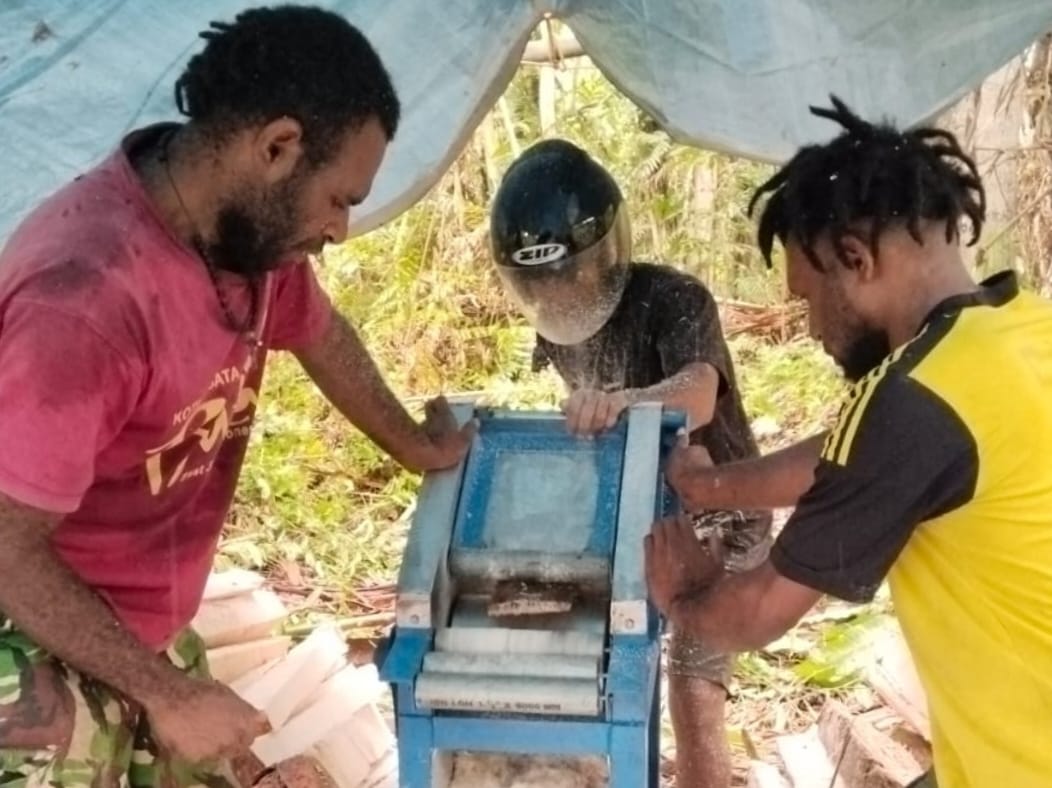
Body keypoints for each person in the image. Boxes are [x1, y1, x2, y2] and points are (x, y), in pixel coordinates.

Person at [0, 6, 474, 787]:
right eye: (339, 198)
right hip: (34, 634)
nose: (339, 228)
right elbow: (8, 548)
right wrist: (163, 693)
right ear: (277, 147)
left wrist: (415, 444)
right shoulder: (86, 300)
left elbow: (321, 333)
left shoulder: (245, 241)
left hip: (138, 622)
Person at [646, 96, 1052, 788]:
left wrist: (683, 596)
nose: (809, 330)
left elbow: (755, 616)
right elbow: (846, 454)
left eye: (808, 300)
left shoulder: (910, 402)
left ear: (856, 259)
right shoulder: (1016, 330)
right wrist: (706, 484)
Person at [488, 138, 771, 788]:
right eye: (542, 285)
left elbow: (697, 394)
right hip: (642, 515)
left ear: (606, 252)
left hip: (724, 516)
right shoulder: (557, 324)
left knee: (692, 683)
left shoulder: (673, 299)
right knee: (609, 663)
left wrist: (621, 404)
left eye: (571, 276)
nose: (560, 294)